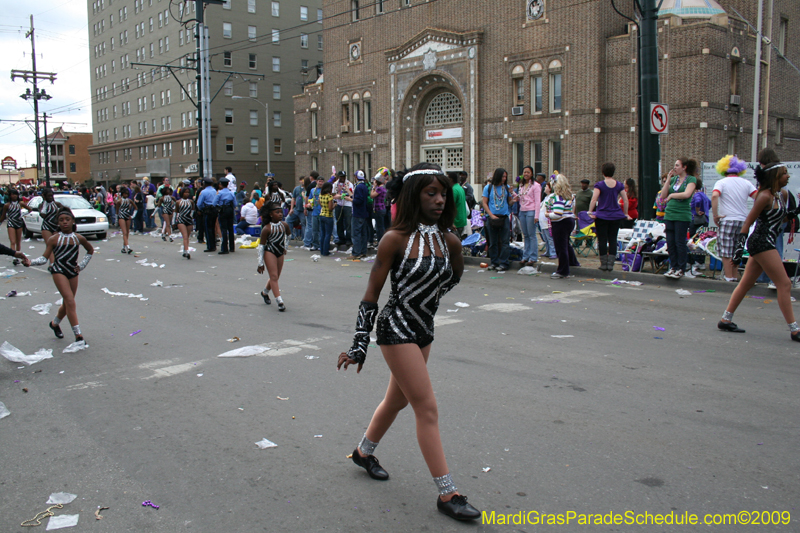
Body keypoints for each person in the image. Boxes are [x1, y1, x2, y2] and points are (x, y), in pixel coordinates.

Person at [336, 162, 480, 522]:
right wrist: (359, 343)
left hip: (423, 329)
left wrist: (425, 300)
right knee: (426, 408)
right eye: (430, 193)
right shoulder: (394, 239)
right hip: (395, 327)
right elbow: (372, 294)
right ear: (414, 197)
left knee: (396, 400)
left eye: (442, 193)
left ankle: (363, 453)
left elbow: (453, 279)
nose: (439, 199)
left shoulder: (450, 241)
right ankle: (448, 494)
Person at [718, 156, 800, 341]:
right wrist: (739, 251)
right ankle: (795, 329)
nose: (788, 176)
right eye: (784, 173)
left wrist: (794, 212)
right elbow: (748, 223)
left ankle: (725, 319)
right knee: (785, 284)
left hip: (766, 241)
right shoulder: (764, 196)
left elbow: (779, 220)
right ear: (775, 176)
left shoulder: (781, 195)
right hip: (762, 242)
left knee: (746, 283)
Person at [30, 208, 94, 345]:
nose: (64, 222)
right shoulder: (54, 239)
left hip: (73, 272)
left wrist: (82, 265)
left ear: (72, 222)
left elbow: (90, 250)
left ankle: (54, 323)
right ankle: (78, 336)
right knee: (70, 301)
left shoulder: (78, 238)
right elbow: (44, 258)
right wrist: (30, 262)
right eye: (61, 220)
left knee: (67, 304)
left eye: (67, 220)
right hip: (58, 271)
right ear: (58, 223)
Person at [711, 155, 756, 282]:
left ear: (723, 169)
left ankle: (728, 277)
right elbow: (758, 197)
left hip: (727, 219)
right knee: (738, 250)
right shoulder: (747, 183)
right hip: (743, 221)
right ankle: (735, 277)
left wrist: (715, 215)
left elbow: (715, 196)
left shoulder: (721, 182)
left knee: (726, 251)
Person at [660, 158, 698, 279]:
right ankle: (673, 266)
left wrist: (672, 195)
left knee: (679, 242)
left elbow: (687, 194)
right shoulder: (674, 179)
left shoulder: (691, 179)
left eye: (677, 165)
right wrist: (668, 181)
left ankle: (681, 268)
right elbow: (663, 195)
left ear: (684, 167)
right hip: (670, 214)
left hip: (682, 215)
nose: (674, 167)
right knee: (670, 242)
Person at [588, 163, 629, 272]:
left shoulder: (599, 185)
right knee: (613, 239)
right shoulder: (619, 185)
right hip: (615, 215)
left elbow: (594, 199)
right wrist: (625, 213)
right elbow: (625, 200)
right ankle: (611, 264)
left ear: (603, 172)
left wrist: (590, 211)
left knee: (602, 239)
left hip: (602, 215)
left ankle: (603, 263)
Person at [256, 201, 291, 312]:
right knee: (274, 277)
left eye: (281, 212)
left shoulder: (284, 225)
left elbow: (289, 236)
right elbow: (261, 247)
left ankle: (264, 292)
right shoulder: (266, 228)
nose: (280, 214)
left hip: (280, 252)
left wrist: (285, 247)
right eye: (277, 212)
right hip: (270, 252)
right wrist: (260, 263)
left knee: (275, 277)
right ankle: (279, 301)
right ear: (271, 214)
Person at [482, 168, 516, 271]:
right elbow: (484, 203)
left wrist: (514, 200)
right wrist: (491, 215)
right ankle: (494, 262)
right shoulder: (488, 188)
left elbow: (509, 202)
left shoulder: (506, 188)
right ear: (497, 176)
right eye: (502, 176)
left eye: (505, 177)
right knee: (493, 242)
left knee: (505, 242)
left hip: (504, 217)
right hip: (492, 218)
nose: (504, 179)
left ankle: (504, 263)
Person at [545, 175, 577, 279]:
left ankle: (563, 271)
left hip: (560, 222)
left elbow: (557, 213)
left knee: (560, 247)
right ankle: (573, 262)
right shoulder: (569, 196)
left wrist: (548, 214)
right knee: (566, 244)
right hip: (569, 221)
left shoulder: (558, 197)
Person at [517, 166, 541, 268]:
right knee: (525, 235)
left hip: (531, 211)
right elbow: (520, 198)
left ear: (531, 174)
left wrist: (536, 215)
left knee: (532, 235)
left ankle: (533, 257)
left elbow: (537, 201)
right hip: (522, 211)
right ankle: (525, 256)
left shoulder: (536, 186)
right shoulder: (522, 185)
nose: (526, 174)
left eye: (528, 172)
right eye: (524, 172)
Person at [688, 177, 711, 276]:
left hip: (696, 220)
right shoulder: (703, 195)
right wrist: (704, 211)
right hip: (705, 219)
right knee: (702, 240)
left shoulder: (696, 195)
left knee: (694, 240)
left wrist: (697, 211)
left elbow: (697, 201)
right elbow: (709, 203)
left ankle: (696, 260)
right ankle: (701, 262)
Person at [0, 189, 28, 265]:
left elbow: (30, 209)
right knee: (13, 241)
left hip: (19, 223)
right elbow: (3, 216)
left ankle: (18, 256)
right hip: (11, 223)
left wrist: (22, 215)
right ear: (10, 195)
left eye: (15, 194)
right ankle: (14, 257)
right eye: (12, 194)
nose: (14, 196)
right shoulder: (7, 205)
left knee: (18, 241)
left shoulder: (20, 204)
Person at [535, 173, 556, 258]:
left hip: (547, 222)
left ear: (550, 189)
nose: (545, 188)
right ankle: (548, 251)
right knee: (546, 238)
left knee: (550, 238)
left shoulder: (551, 197)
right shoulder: (546, 197)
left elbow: (549, 208)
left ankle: (553, 252)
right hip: (543, 222)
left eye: (547, 187)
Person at [39, 188, 64, 258]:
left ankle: (56, 262)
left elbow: (64, 211)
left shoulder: (56, 204)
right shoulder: (42, 205)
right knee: (50, 246)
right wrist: (45, 203)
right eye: (48, 196)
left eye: (51, 196)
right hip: (46, 226)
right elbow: (43, 215)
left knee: (58, 245)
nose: (50, 197)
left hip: (56, 226)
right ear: (44, 196)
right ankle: (52, 264)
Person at [350, 171, 370, 259]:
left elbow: (358, 200)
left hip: (357, 213)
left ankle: (356, 253)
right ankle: (363, 251)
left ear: (356, 177)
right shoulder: (365, 186)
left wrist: (350, 199)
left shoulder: (358, 187)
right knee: (363, 233)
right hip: (364, 212)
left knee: (356, 233)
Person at [196, 178, 218, 253]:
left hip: (207, 210)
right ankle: (214, 244)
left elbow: (199, 204)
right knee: (212, 227)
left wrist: (201, 209)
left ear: (204, 183)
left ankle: (210, 246)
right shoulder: (214, 191)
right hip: (214, 210)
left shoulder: (203, 192)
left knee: (207, 229)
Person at [333, 170, 354, 248]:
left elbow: (352, 195)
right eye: (341, 177)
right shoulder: (335, 184)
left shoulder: (349, 184)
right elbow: (333, 195)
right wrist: (337, 197)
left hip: (347, 205)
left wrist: (345, 195)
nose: (342, 178)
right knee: (339, 221)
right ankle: (341, 238)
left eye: (344, 177)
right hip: (339, 204)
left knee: (348, 222)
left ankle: (348, 239)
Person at [215, 177, 236, 254]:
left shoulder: (219, 193)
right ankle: (232, 247)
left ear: (220, 184)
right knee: (230, 228)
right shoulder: (231, 193)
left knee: (224, 229)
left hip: (223, 210)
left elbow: (214, 203)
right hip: (230, 210)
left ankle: (224, 248)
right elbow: (235, 204)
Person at [303, 173, 324, 250]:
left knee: (321, 230)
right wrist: (308, 205)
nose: (320, 183)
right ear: (317, 182)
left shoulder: (325, 190)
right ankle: (315, 245)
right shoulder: (313, 190)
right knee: (314, 230)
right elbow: (309, 200)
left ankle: (321, 245)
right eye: (319, 181)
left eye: (322, 181)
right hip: (314, 212)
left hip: (322, 212)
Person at [371, 169, 390, 244]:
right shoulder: (384, 188)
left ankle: (381, 242)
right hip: (382, 208)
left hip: (379, 209)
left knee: (379, 227)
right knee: (381, 226)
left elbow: (372, 195)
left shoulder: (379, 188)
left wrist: (373, 187)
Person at [176, 186, 195, 259]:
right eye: (185, 192)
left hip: (189, 220)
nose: (187, 194)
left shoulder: (191, 202)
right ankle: (187, 251)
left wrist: (192, 218)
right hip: (181, 220)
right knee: (185, 236)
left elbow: (192, 211)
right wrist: (175, 221)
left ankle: (184, 249)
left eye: (188, 192)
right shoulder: (178, 202)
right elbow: (176, 212)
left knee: (187, 236)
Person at [448, 171, 468, 239]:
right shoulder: (460, 188)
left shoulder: (454, 190)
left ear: (450, 179)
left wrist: (450, 222)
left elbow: (450, 206)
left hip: (456, 221)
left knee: (453, 244)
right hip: (461, 220)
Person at [286, 176, 307, 241]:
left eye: (303, 180)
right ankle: (291, 236)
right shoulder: (296, 189)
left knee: (304, 223)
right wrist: (291, 208)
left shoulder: (307, 189)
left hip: (303, 210)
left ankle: (304, 238)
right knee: (288, 219)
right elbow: (293, 199)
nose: (302, 181)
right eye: (301, 180)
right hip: (296, 209)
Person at [115, 187, 135, 254]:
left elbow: (136, 208)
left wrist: (133, 216)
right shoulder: (119, 201)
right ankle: (128, 247)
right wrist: (116, 219)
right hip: (121, 216)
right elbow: (117, 211)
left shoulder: (129, 200)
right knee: (124, 232)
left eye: (127, 194)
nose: (126, 195)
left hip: (127, 216)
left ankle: (124, 247)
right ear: (122, 194)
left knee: (127, 232)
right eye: (124, 194)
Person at [318, 182, 335, 256]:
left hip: (322, 215)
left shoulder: (320, 195)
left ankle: (321, 250)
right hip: (328, 216)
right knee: (328, 234)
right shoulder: (329, 197)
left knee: (323, 234)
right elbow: (330, 208)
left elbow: (320, 204)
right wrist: (335, 205)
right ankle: (326, 251)